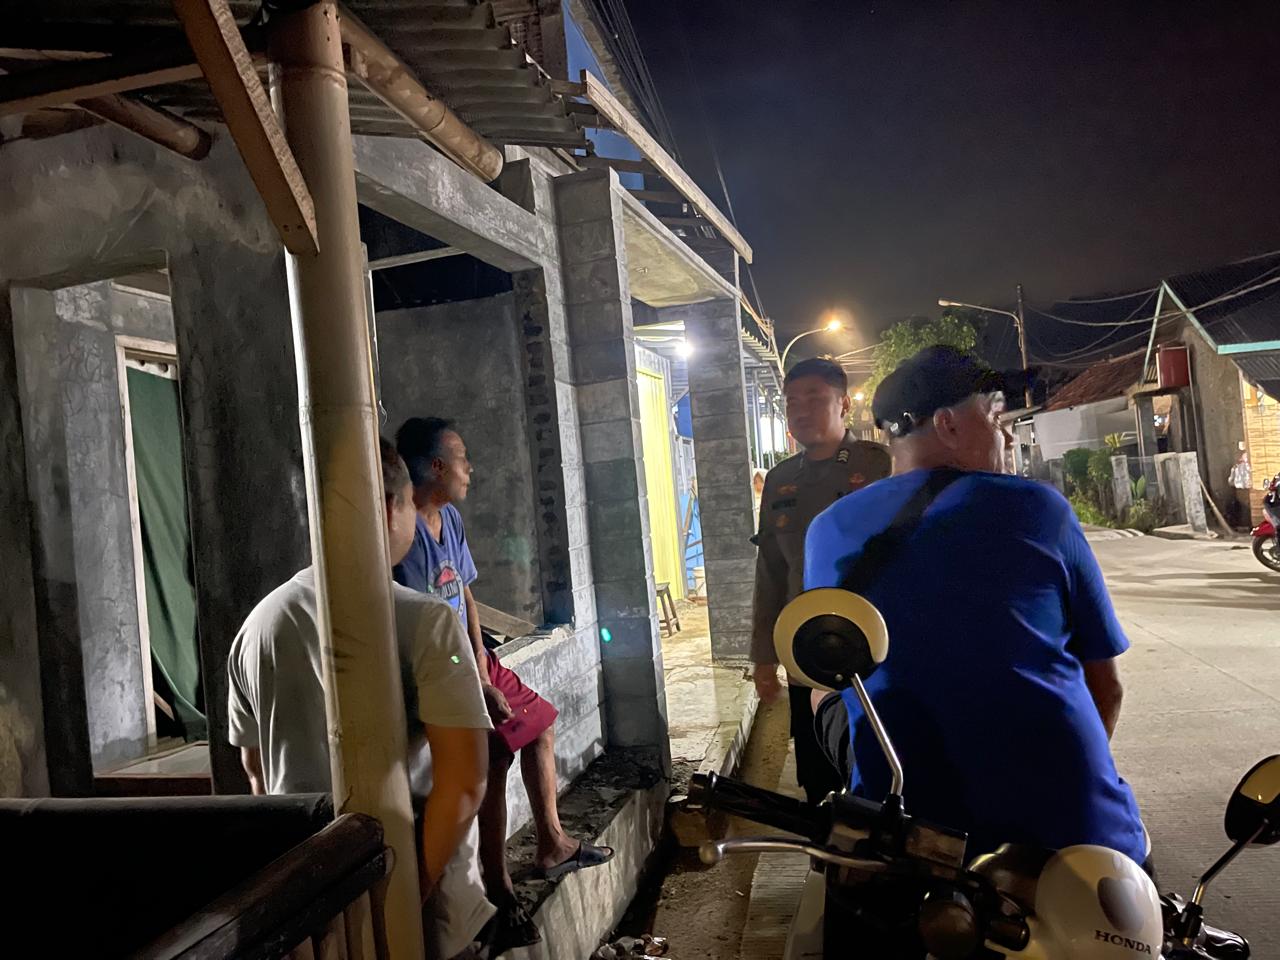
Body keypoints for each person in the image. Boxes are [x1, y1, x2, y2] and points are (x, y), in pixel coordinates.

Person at [804, 345, 1147, 870]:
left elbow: (828, 678)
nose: (1007, 436)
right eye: (995, 418)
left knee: (827, 701)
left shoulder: (827, 530)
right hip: (1075, 844)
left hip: (907, 847)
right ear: (947, 424)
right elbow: (1108, 688)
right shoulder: (1038, 508)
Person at [228, 439, 493, 960]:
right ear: (390, 508)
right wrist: (399, 902)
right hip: (425, 916)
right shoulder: (426, 622)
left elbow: (258, 775)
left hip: (310, 911)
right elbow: (464, 782)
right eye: (410, 503)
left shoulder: (257, 625)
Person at [394, 417, 613, 943]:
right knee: (492, 755)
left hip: (468, 659)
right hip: (437, 668)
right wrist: (470, 681)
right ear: (437, 466)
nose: (471, 469)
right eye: (462, 459)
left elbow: (465, 596)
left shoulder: (449, 519)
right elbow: (418, 630)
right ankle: (499, 887)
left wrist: (479, 660)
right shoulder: (402, 537)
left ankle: (552, 843)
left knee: (540, 723)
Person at [750, 357, 891, 803]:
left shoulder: (880, 465)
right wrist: (763, 658)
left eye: (814, 398)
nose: (801, 411)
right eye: (792, 401)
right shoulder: (779, 480)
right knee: (817, 778)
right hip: (807, 653)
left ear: (844, 404)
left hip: (878, 650)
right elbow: (771, 570)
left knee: (884, 772)